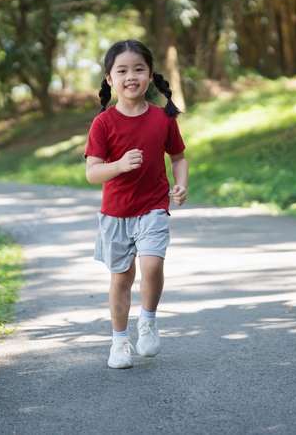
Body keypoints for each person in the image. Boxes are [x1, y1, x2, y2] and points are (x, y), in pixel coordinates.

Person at [84, 39, 188, 369]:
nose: (132, 76)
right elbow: (92, 173)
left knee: (153, 265)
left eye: (139, 69)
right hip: (115, 214)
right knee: (122, 279)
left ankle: (148, 321)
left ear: (150, 75)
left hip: (153, 206)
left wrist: (181, 183)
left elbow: (179, 157)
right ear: (110, 79)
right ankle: (119, 342)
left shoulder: (163, 118)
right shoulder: (103, 123)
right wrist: (118, 166)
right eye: (123, 70)